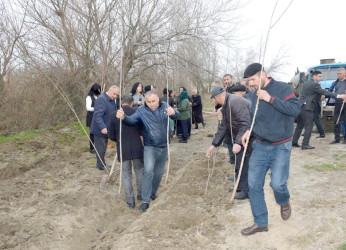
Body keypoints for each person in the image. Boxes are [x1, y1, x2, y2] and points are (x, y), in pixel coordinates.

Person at [241, 63, 301, 236]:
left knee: (278, 184)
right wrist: (247, 130)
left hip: (281, 145)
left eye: (253, 79)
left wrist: (270, 99)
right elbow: (252, 117)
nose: (250, 83)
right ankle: (261, 222)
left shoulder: (282, 88)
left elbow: (295, 110)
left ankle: (284, 201)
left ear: (263, 75)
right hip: (260, 144)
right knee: (253, 184)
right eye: (248, 80)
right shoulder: (252, 94)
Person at [116, 91, 180, 212]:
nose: (151, 104)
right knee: (148, 171)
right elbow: (131, 121)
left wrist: (174, 113)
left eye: (153, 101)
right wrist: (123, 117)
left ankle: (152, 192)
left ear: (158, 100)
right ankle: (145, 201)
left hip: (164, 146)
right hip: (150, 147)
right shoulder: (141, 110)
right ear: (145, 101)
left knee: (159, 173)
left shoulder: (165, 106)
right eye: (149, 102)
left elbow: (177, 115)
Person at [206, 86, 251, 200]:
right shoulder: (226, 105)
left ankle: (246, 191)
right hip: (240, 137)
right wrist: (214, 145)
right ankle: (239, 186)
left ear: (216, 97)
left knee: (243, 162)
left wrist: (238, 142)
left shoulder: (235, 102)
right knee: (238, 160)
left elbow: (245, 123)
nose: (214, 101)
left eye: (214, 99)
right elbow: (224, 126)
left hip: (248, 137)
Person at [292, 70, 346, 149]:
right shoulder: (315, 84)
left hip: (301, 106)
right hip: (307, 108)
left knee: (300, 126)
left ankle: (294, 142)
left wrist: (320, 95)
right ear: (314, 76)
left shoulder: (307, 83)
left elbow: (311, 94)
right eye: (319, 76)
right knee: (309, 127)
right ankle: (305, 144)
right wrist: (340, 96)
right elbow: (325, 92)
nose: (321, 78)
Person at [109, 95, 144, 208]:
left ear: (121, 103)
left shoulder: (114, 115)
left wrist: (118, 140)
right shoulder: (137, 112)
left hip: (122, 148)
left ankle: (130, 201)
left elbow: (111, 135)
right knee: (139, 171)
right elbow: (142, 131)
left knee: (126, 175)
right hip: (137, 146)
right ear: (131, 103)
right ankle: (141, 196)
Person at [90, 85, 120, 170]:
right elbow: (97, 115)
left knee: (103, 147)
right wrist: (102, 127)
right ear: (109, 91)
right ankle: (101, 166)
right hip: (100, 129)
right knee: (101, 148)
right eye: (114, 94)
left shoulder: (112, 100)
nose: (115, 96)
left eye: (117, 95)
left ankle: (101, 164)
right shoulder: (101, 99)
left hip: (107, 128)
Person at [328, 68, 346, 144]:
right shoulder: (335, 83)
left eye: (340, 73)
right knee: (336, 121)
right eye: (338, 73)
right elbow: (330, 92)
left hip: (345, 104)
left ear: (344, 74)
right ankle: (337, 138)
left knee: (345, 121)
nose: (338, 75)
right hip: (338, 104)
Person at [86, 83, 101, 154]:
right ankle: (91, 148)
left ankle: (97, 147)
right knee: (92, 133)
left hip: (97, 117)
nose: (99, 90)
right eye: (98, 89)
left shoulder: (97, 97)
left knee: (97, 133)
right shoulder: (89, 97)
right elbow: (88, 108)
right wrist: (97, 109)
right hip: (91, 117)